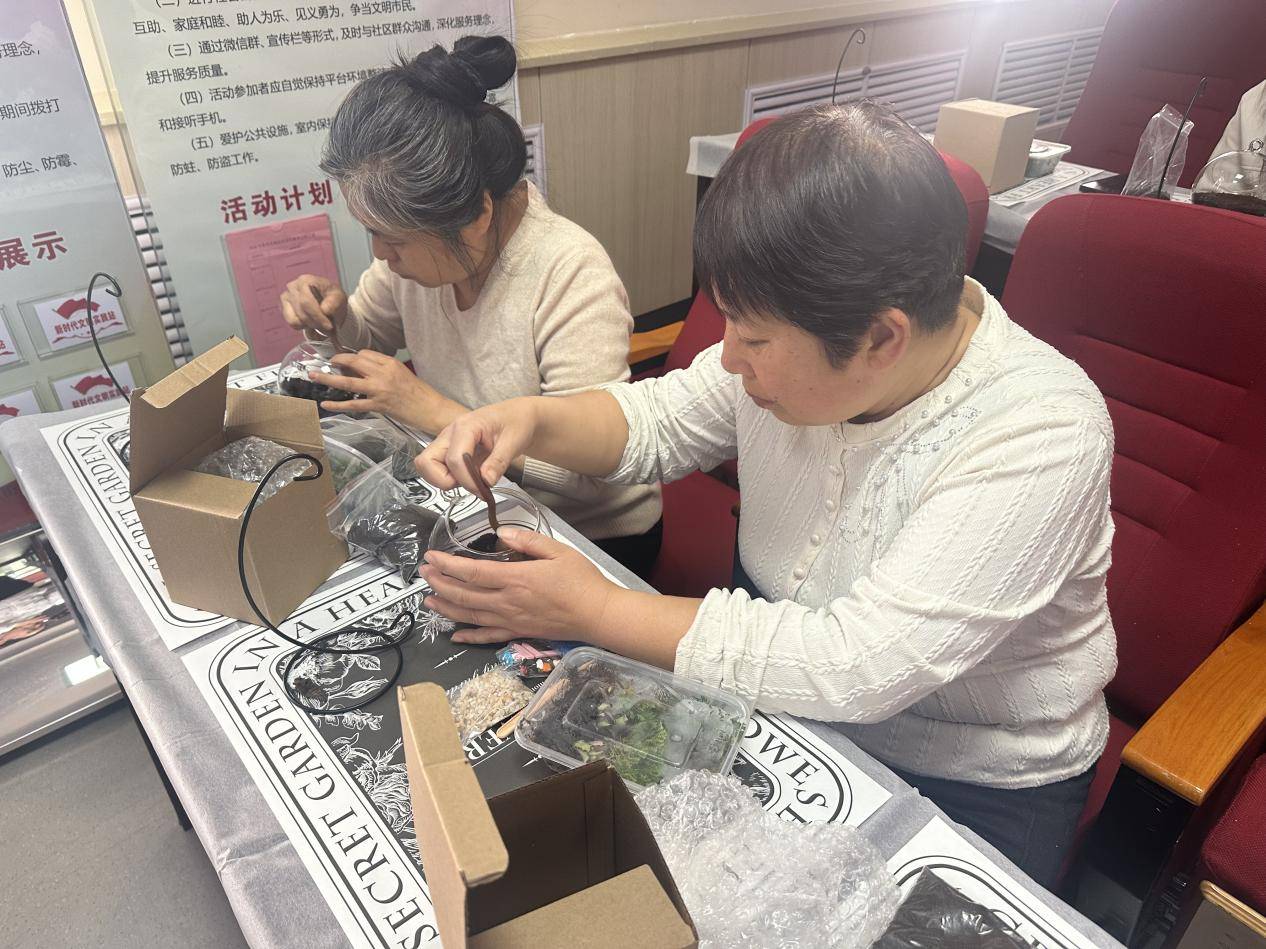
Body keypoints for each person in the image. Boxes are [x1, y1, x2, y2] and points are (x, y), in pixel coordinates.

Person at [415, 102, 1118, 887]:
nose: (728, 357)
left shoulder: (1042, 431)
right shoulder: (801, 341)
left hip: (968, 775)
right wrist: (529, 418)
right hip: (776, 694)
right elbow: (656, 421)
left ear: (881, 338)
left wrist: (595, 608)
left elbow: (858, 663)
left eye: (752, 337)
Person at [278, 36, 662, 576]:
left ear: (476, 216)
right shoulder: (422, 257)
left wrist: (431, 410)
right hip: (479, 505)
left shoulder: (571, 274)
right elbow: (369, 339)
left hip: (585, 536)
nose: (381, 254)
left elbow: (594, 475)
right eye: (371, 233)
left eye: (394, 239)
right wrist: (335, 319)